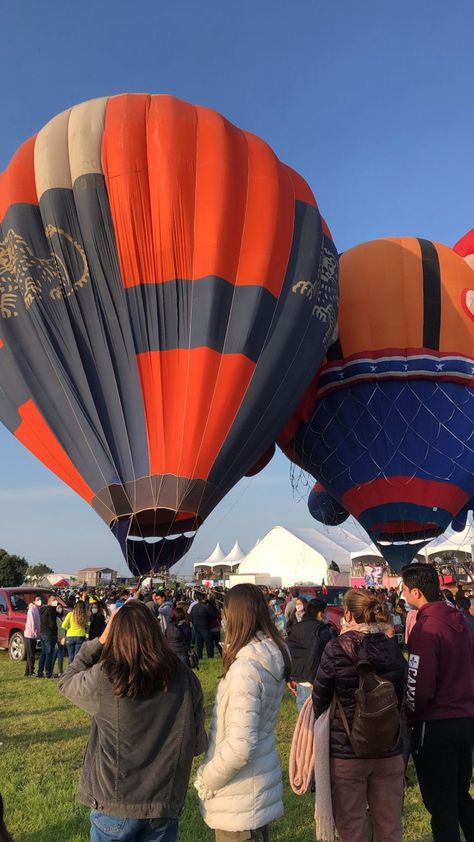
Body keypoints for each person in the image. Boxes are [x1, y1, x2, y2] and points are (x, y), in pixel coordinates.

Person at [59, 600, 207, 842]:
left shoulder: (106, 676)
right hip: (162, 804)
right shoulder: (185, 678)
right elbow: (197, 744)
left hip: (115, 803)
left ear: (115, 635)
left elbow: (66, 680)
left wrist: (99, 641)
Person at [195, 583, 290, 841]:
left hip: (238, 794)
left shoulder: (246, 670)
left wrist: (207, 779)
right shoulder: (270, 654)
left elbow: (240, 746)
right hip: (254, 785)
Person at [313, 588, 407, 842]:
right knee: (390, 826)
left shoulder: (335, 649)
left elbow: (319, 699)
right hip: (389, 747)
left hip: (348, 750)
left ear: (347, 613)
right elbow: (401, 694)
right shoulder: (391, 648)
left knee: (352, 828)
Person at [402, 563, 474, 842]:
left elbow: (418, 685)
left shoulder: (426, 628)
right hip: (465, 720)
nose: (404, 595)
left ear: (417, 592)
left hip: (435, 725)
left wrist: (410, 714)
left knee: (441, 807)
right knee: (459, 796)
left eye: (405, 590)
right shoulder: (461, 622)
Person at [286, 599, 333, 711]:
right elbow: (327, 656)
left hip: (299, 681)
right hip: (317, 682)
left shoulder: (295, 628)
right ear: (320, 613)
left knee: (304, 721)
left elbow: (288, 653)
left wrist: (289, 678)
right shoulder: (322, 630)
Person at [37, 596, 59, 679]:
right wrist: (55, 631)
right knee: (49, 653)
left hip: (43, 633)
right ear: (49, 601)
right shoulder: (50, 610)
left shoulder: (42, 609)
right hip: (50, 634)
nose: (55, 601)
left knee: (43, 653)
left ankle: (40, 672)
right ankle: (48, 672)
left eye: (56, 600)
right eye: (54, 600)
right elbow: (52, 623)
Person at [190, 593, 214, 659]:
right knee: (208, 643)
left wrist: (194, 623)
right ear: (203, 599)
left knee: (199, 643)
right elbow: (212, 615)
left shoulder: (194, 607)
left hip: (197, 627)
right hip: (205, 626)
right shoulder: (206, 607)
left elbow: (191, 616)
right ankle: (210, 656)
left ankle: (200, 656)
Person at [24, 596, 41, 677]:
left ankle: (27, 671)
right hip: (30, 635)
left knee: (31, 653)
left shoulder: (37, 609)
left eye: (40, 599)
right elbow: (32, 623)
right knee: (31, 655)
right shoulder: (32, 609)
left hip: (33, 635)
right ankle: (31, 672)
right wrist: (35, 633)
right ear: (34, 601)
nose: (39, 601)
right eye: (37, 600)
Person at [52, 603, 67, 677]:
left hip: (63, 638)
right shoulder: (54, 617)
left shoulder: (64, 617)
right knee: (54, 655)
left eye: (61, 607)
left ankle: (61, 671)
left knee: (61, 656)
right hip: (57, 638)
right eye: (58, 607)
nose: (60, 609)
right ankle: (50, 670)